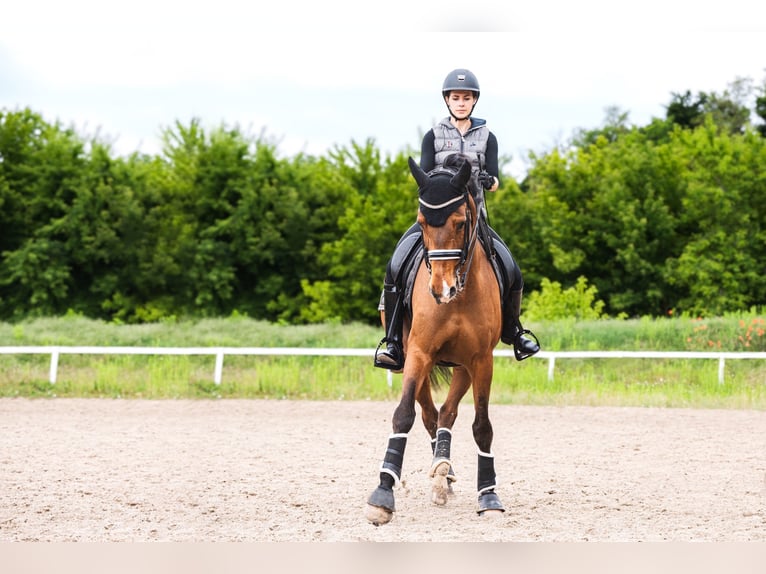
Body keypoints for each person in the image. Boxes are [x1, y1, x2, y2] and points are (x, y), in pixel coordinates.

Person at [374, 68, 540, 370]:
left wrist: (489, 180)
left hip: (472, 218)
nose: (461, 102)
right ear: (447, 101)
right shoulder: (433, 136)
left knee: (512, 268)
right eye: (455, 97)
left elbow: (496, 181)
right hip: (436, 216)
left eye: (466, 98)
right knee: (395, 265)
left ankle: (514, 332)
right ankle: (394, 343)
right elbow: (423, 176)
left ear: (473, 101)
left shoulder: (488, 137)